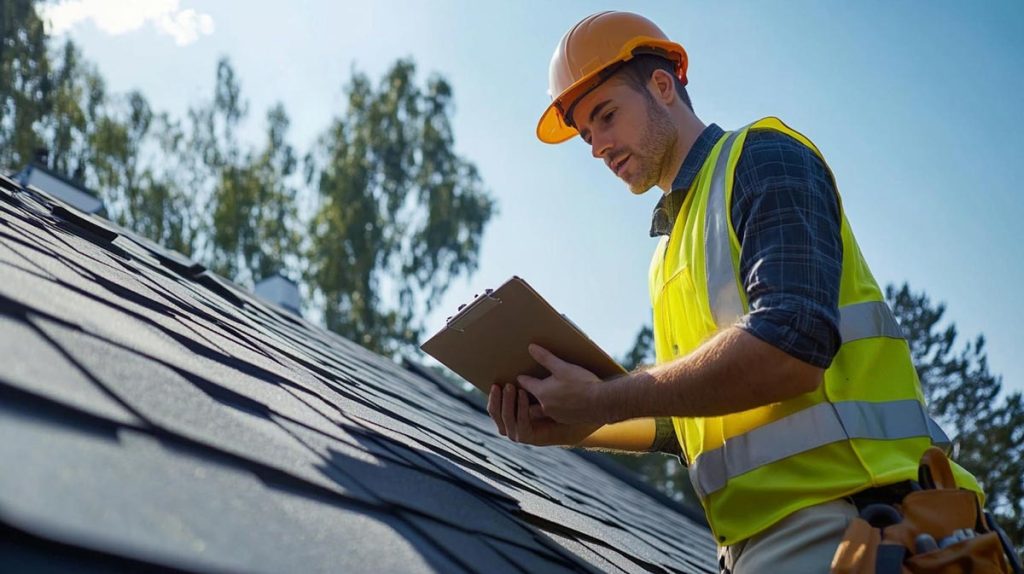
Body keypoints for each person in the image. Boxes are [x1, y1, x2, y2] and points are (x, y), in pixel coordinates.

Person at [485, 10, 984, 573]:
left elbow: (791, 348)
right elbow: (686, 419)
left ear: (662, 85)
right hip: (759, 547)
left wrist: (602, 399)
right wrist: (577, 424)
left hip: (854, 520)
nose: (598, 146)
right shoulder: (666, 257)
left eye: (606, 116)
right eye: (585, 135)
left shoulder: (763, 157)